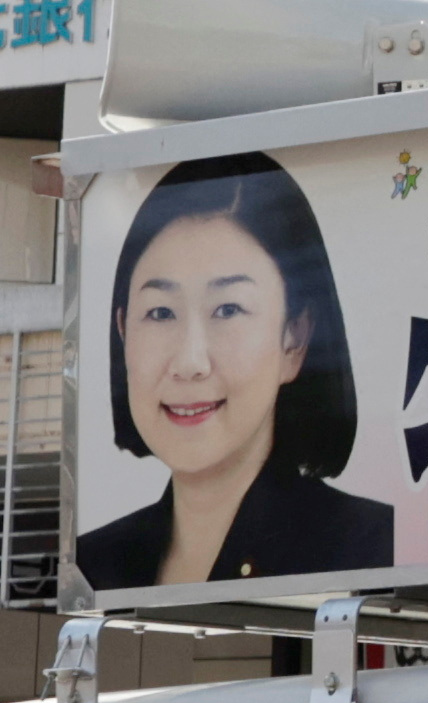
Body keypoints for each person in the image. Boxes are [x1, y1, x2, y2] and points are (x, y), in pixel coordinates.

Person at [77, 152, 392, 590]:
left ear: (295, 338)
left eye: (227, 309)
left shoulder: (375, 550)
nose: (190, 362)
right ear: (122, 332)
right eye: (161, 313)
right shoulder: (91, 568)